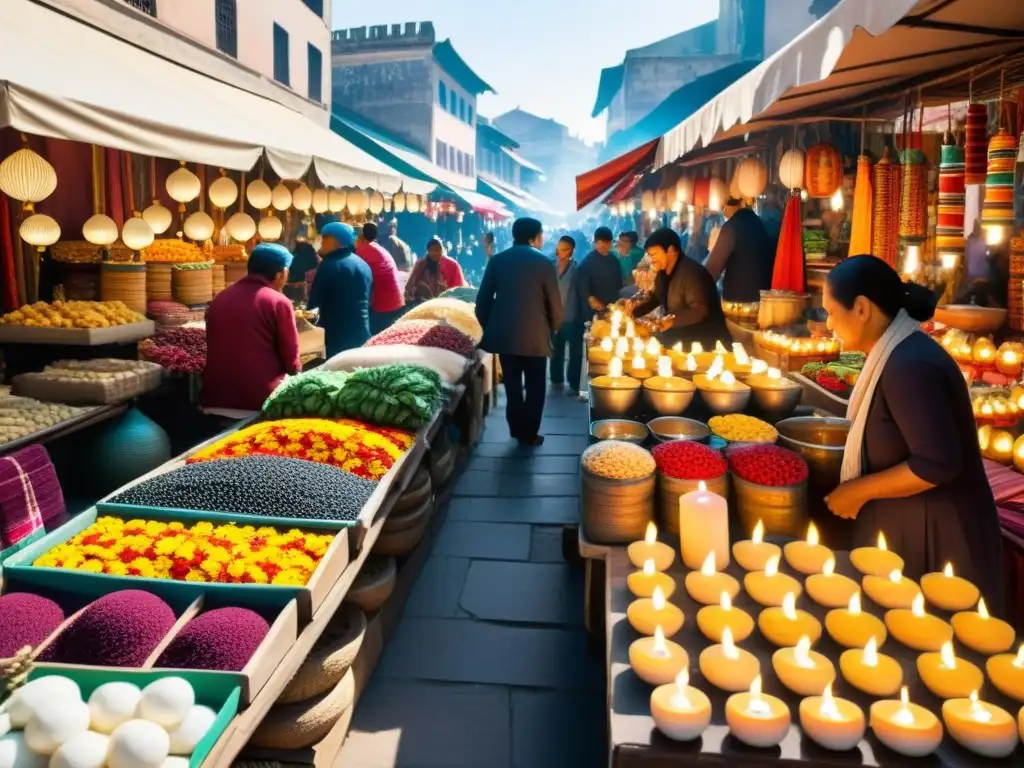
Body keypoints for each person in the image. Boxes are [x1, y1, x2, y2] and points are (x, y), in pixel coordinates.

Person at [822, 255, 1002, 612]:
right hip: (912, 527)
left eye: (830, 311)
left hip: (938, 539)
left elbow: (937, 463)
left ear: (861, 309)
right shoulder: (897, 354)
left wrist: (856, 492)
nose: (828, 324)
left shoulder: (910, 366)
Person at [476, 218, 563, 447]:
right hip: (536, 337)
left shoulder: (497, 261)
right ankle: (530, 433)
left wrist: (491, 326)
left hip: (505, 337)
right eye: (541, 235)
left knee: (513, 387)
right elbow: (555, 303)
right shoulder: (544, 263)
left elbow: (482, 302)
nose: (543, 239)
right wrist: (554, 327)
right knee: (536, 387)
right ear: (534, 237)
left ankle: (516, 429)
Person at [203, 243, 300, 413]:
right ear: (282, 273)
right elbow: (291, 361)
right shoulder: (278, 301)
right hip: (259, 401)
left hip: (214, 397)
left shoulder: (221, 297)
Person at [627, 228, 728, 348]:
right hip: (680, 337)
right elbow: (657, 297)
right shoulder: (663, 273)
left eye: (654, 254)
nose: (652, 260)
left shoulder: (692, 273)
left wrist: (672, 320)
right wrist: (634, 309)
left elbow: (700, 310)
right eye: (649, 255)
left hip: (704, 342)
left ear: (671, 250)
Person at [309, 221, 373, 358]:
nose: (321, 243)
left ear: (334, 240)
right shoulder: (363, 264)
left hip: (336, 336)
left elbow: (314, 305)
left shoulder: (329, 265)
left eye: (324, 238)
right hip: (362, 333)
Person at [704, 197, 774, 302]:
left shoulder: (731, 227)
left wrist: (698, 285)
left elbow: (712, 270)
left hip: (739, 303)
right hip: (763, 300)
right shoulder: (760, 223)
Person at [355, 222, 405, 334]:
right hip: (395, 302)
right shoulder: (376, 248)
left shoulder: (362, 251)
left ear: (361, 237)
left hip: (384, 306)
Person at [550, 235, 584, 397]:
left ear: (571, 252)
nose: (560, 252)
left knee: (575, 352)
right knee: (556, 350)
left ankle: (574, 383)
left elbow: (581, 294)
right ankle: (556, 380)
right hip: (554, 316)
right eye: (559, 248)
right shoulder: (550, 267)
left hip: (572, 316)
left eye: (564, 250)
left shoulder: (577, 270)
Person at [570, 226, 622, 323]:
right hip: (594, 310)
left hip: (612, 306)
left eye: (607, 243)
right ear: (595, 243)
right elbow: (582, 286)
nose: (605, 246)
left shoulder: (614, 260)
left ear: (611, 243)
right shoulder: (586, 263)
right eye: (601, 243)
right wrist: (590, 298)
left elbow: (619, 283)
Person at [405, 238, 466, 304]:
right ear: (428, 251)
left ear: (442, 250)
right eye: (432, 250)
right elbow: (409, 288)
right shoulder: (420, 265)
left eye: (437, 250)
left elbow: (459, 293)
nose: (435, 253)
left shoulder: (452, 266)